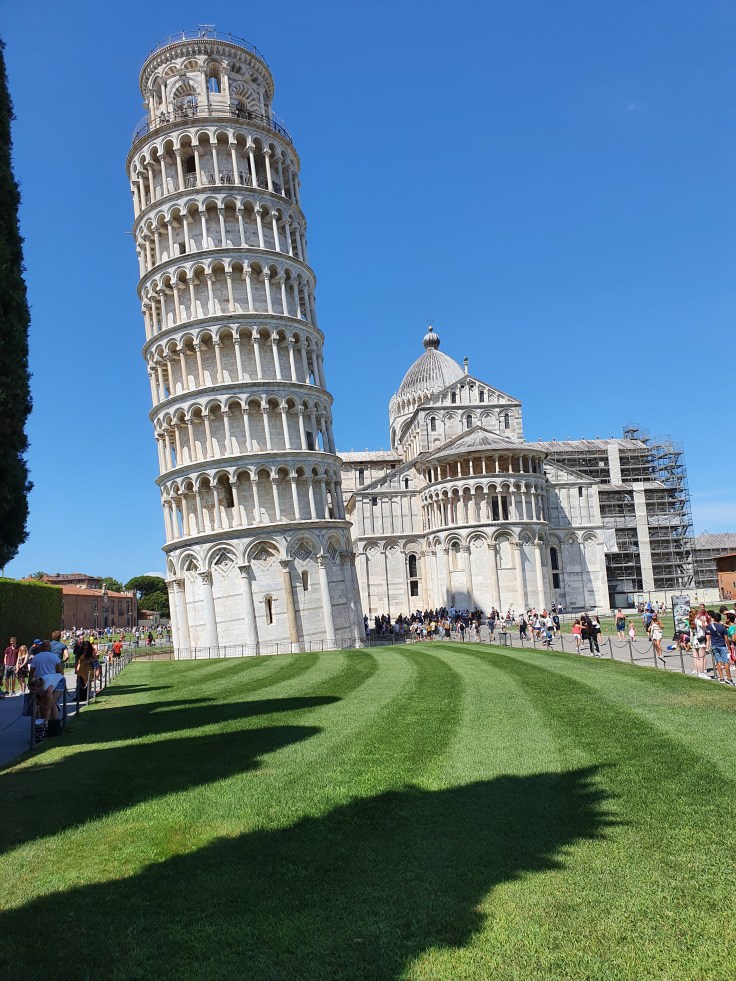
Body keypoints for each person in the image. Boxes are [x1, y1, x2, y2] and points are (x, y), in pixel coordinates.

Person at [706, 612, 734, 685]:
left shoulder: (710, 626)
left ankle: (721, 678)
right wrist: (728, 648)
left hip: (714, 645)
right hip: (722, 645)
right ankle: (729, 678)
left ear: (714, 618)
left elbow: (705, 627)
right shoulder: (723, 628)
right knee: (726, 662)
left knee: (718, 661)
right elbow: (726, 639)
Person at [691, 609, 709, 679]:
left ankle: (698, 671)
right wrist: (704, 621)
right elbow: (705, 627)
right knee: (702, 657)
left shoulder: (693, 621)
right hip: (700, 639)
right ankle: (701, 672)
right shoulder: (698, 621)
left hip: (695, 639)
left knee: (698, 657)